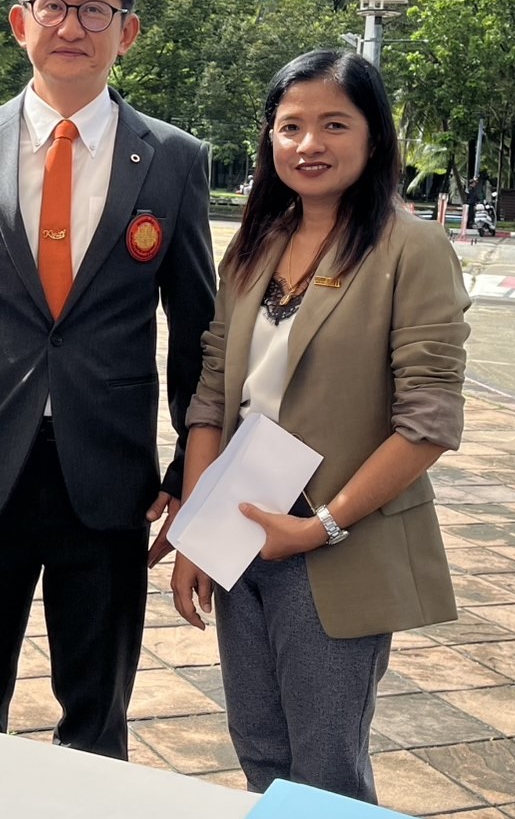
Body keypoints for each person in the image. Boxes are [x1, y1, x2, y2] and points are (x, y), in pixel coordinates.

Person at [0, 0, 216, 759]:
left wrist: (191, 472)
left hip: (109, 481)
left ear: (126, 31)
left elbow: (197, 331)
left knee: (97, 714)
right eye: (52, 5)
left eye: (95, 9)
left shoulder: (173, 160)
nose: (72, 25)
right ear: (19, 21)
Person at [171, 50, 469, 801]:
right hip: (241, 534)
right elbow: (212, 397)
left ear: (373, 136)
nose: (309, 143)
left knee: (326, 769)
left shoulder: (412, 249)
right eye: (291, 126)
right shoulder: (254, 246)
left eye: (334, 124)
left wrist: (321, 526)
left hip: (337, 543)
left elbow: (428, 420)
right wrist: (197, 535)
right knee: (259, 748)